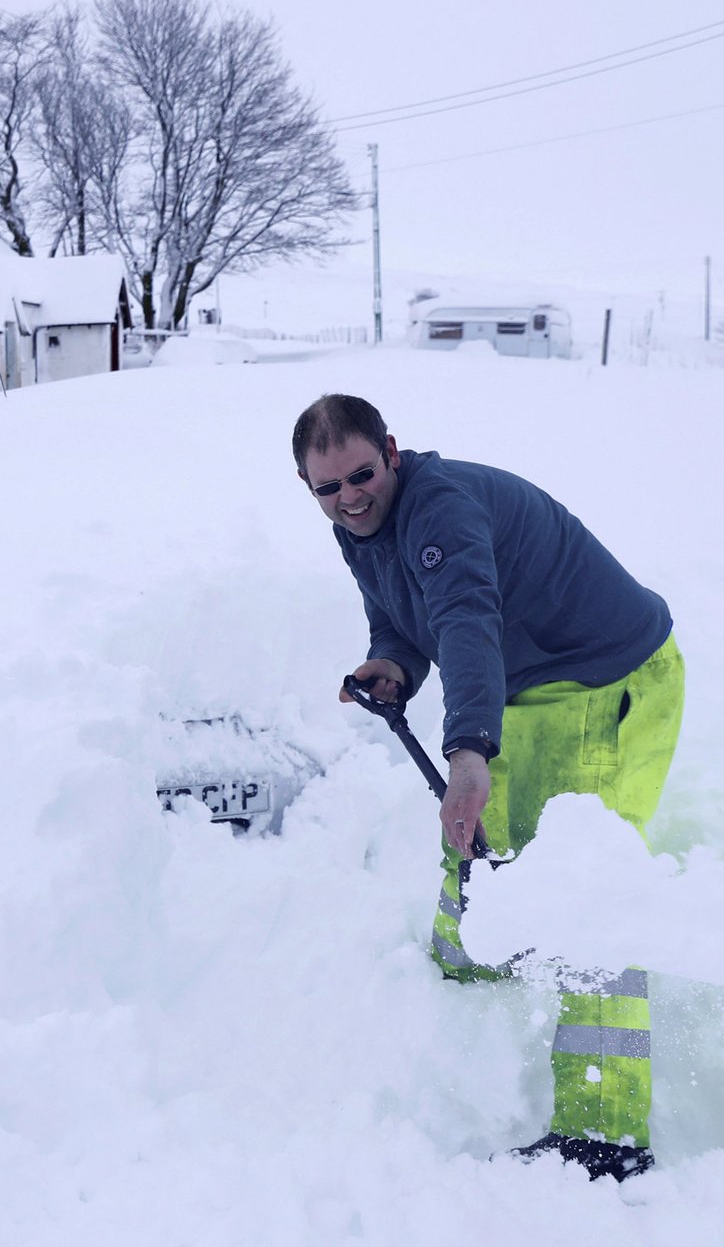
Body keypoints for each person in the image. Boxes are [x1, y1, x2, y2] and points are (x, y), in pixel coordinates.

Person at [292, 393, 685, 1183]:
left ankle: (604, 1136)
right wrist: (393, 663)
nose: (348, 498)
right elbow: (406, 617)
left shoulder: (441, 511)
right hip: (526, 691)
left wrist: (467, 748)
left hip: (607, 682)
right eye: (326, 488)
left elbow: (467, 613)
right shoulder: (359, 527)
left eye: (361, 475)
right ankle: (471, 982)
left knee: (583, 889)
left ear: (392, 454)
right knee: (475, 838)